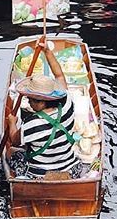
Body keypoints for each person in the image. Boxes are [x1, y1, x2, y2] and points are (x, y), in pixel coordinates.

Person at [6, 39, 78, 176]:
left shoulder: (32, 123)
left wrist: (12, 123)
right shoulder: (67, 102)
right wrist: (47, 52)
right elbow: (59, 75)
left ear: (41, 102)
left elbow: (15, 140)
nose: (28, 101)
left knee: (11, 152)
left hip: (40, 173)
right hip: (68, 166)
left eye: (31, 100)